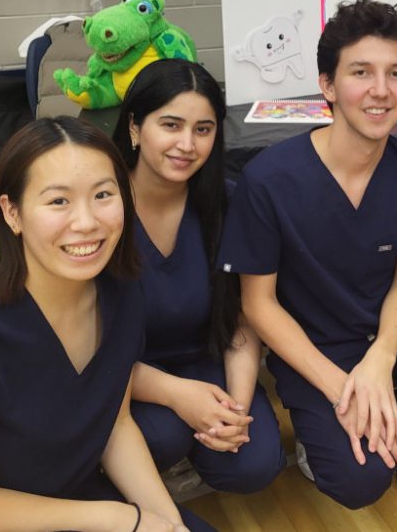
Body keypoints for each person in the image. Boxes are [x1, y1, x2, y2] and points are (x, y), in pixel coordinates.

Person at [218, 0, 397, 510]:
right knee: (357, 484)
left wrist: (380, 360)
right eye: (361, 72)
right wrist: (345, 389)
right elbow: (258, 305)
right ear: (328, 84)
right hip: (316, 345)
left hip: (393, 328)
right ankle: (338, 432)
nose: (380, 90)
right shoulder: (270, 179)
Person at [0, 117, 213, 532]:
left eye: (102, 195)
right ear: (12, 212)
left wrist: (167, 521)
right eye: (58, 201)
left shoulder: (122, 290)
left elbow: (116, 422)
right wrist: (121, 518)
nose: (86, 222)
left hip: (78, 498)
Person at [112, 60, 286, 496]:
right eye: (170, 125)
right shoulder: (99, 211)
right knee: (163, 435)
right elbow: (78, 351)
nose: (186, 144)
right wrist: (174, 395)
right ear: (135, 127)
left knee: (255, 462)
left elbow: (242, 319)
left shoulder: (227, 204)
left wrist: (239, 408)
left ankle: (191, 449)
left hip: (204, 361)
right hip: (119, 373)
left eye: (203, 129)